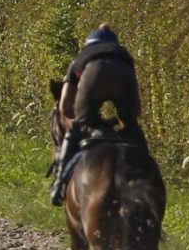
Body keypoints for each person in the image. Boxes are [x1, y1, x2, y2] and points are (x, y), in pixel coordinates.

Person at [49, 23, 144, 205]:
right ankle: (146, 172)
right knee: (133, 128)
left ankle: (59, 183)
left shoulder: (81, 58)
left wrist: (87, 122)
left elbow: (65, 108)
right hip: (123, 72)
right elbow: (136, 110)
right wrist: (126, 120)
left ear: (89, 44)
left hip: (93, 72)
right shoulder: (123, 56)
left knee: (77, 126)